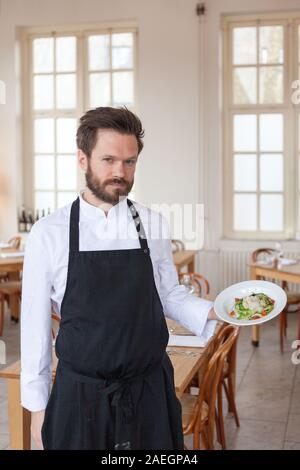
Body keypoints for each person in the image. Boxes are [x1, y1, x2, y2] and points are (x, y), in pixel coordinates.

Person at [20, 106, 217, 450]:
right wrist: (37, 408)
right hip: (79, 398)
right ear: (83, 159)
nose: (120, 172)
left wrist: (219, 310)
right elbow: (34, 327)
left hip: (149, 392)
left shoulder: (153, 224)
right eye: (108, 160)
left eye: (129, 162)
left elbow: (169, 294)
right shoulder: (48, 233)